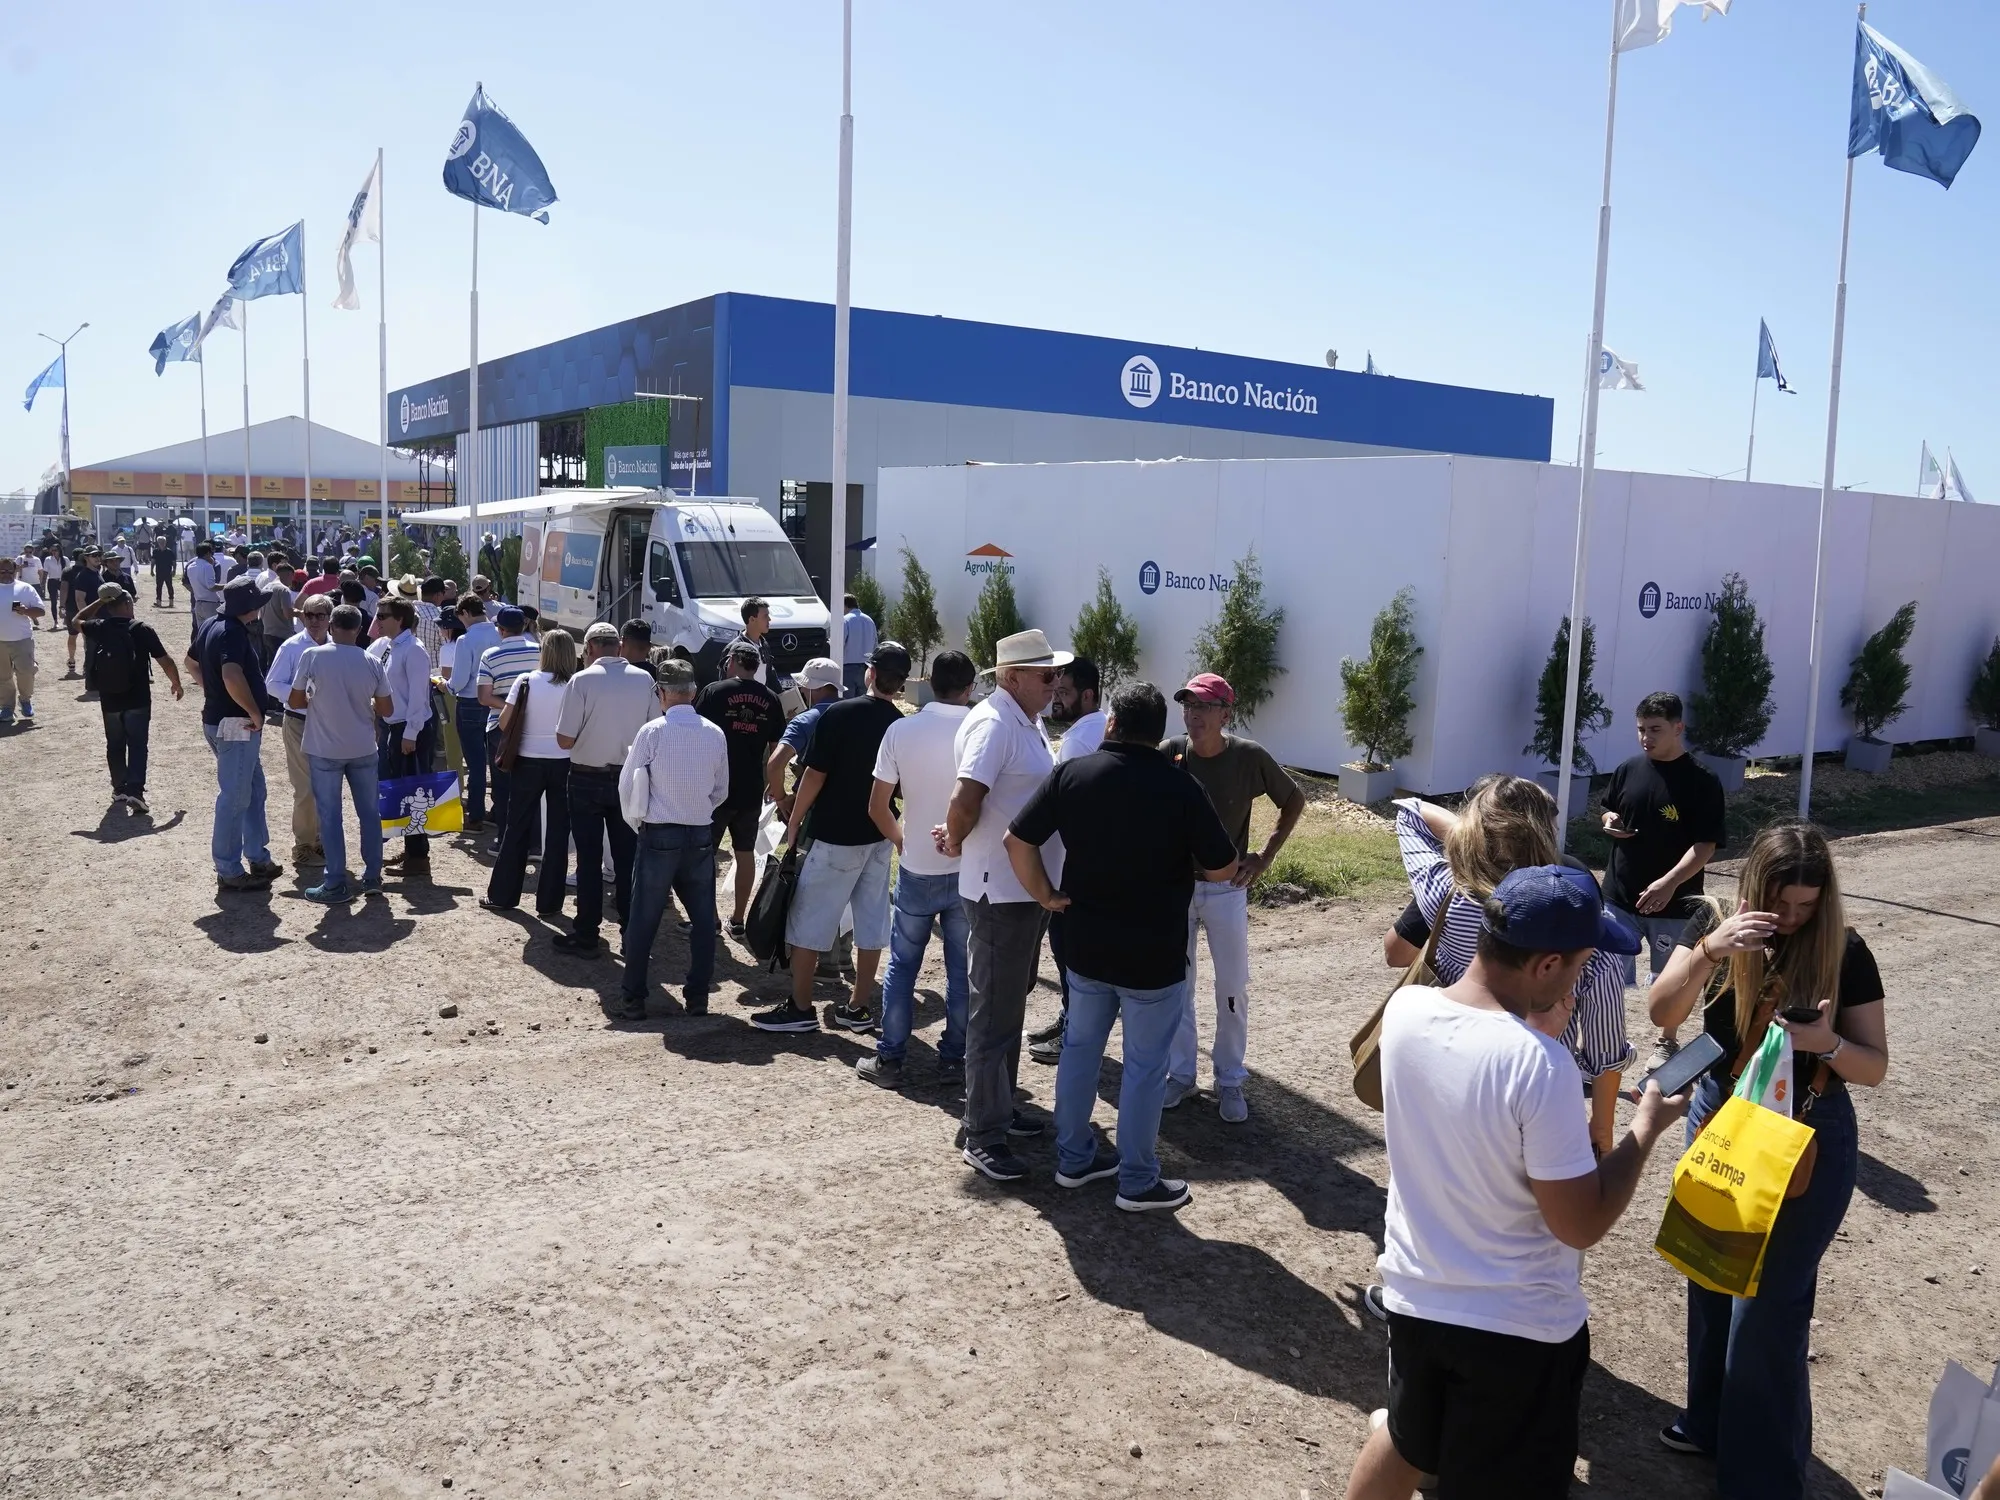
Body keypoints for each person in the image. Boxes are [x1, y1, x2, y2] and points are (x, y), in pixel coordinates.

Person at [1343, 865, 1682, 1500]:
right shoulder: (1541, 1065)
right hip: (1516, 1329)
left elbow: (1468, 1111)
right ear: (1547, 965)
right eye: (1583, 964)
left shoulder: (1408, 1011)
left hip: (1416, 1297)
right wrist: (1645, 1129)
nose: (1584, 977)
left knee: (1409, 1437)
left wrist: (1534, 1036)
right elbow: (1578, 1222)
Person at [1646, 821, 1888, 1500]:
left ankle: (1763, 1479)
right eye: (1779, 903)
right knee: (1712, 1273)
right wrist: (1708, 952)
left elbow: (1873, 1066)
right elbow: (1662, 1010)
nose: (1789, 919)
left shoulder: (1845, 950)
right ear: (1753, 886)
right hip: (1723, 1115)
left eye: (1806, 907)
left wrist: (1828, 1042)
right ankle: (1710, 1424)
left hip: (1805, 1135)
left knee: (1768, 1307)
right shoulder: (1714, 924)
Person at [1005, 681, 1239, 1207]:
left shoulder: (1074, 773)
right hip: (1153, 955)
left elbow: (1017, 841)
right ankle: (1137, 1180)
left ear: (1111, 724)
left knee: (1080, 1052)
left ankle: (1074, 1159)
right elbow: (1224, 866)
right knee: (1144, 1067)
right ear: (1160, 736)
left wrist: (1045, 894)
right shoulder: (1181, 788)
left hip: (1085, 944)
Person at [1393, 777, 1632, 1155]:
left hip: (1453, 1084)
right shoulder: (1585, 933)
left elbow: (1410, 812)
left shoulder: (1445, 892)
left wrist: (1480, 838)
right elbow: (1606, 1052)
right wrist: (1602, 1126)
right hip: (1539, 1096)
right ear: (1544, 830)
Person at [938, 628, 1067, 1181]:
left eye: (1055, 674)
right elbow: (967, 798)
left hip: (1019, 891)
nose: (1054, 683)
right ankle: (983, 1132)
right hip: (1002, 891)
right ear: (1011, 677)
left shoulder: (1020, 719)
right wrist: (959, 838)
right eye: (1045, 675)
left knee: (1007, 1009)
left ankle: (997, 1111)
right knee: (993, 1015)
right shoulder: (995, 723)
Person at [1161, 672, 1306, 1123]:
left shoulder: (1248, 757)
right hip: (1177, 889)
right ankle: (1181, 1075)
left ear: (1226, 713)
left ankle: (1229, 1079)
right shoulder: (1171, 753)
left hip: (1227, 888)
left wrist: (1262, 857)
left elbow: (1293, 800)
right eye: (1187, 706)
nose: (1192, 715)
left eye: (1203, 707)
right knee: (1176, 987)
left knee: (1232, 987)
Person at [752, 642, 912, 1035]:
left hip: (835, 834)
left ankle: (801, 1007)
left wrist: (795, 821)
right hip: (878, 833)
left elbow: (815, 775)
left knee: (809, 920)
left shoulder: (839, 714)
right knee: (871, 922)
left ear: (870, 673)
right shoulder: (900, 724)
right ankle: (857, 1007)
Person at [856, 650, 978, 1089]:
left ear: (928, 682)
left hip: (917, 867)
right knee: (962, 971)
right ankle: (954, 1059)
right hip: (966, 867)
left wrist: (902, 840)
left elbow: (877, 806)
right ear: (970, 687)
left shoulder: (901, 729)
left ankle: (890, 1058)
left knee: (903, 967)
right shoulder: (980, 728)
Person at [1602, 691, 1727, 1073]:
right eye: (1641, 729)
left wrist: (1669, 884)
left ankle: (1666, 1043)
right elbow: (1608, 806)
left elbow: (1705, 845)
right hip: (1619, 896)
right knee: (1603, 974)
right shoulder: (1628, 768)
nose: (1646, 737)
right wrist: (1608, 821)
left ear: (1678, 727)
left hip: (1676, 904)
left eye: (1655, 729)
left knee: (1670, 979)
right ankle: (1604, 1041)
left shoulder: (1702, 781)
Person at [618, 660, 731, 1019]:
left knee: (644, 918)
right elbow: (720, 790)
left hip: (659, 832)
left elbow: (627, 785)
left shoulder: (652, 732)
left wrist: (640, 822)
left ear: (662, 693)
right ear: (694, 692)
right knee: (702, 921)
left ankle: (634, 998)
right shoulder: (714, 733)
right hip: (699, 832)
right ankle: (698, 997)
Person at [553, 622, 661, 955]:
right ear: (618, 646)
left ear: (589, 648)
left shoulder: (582, 681)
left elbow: (564, 739)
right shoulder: (644, 680)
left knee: (588, 859)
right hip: (629, 778)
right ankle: (633, 934)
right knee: (629, 860)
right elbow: (655, 732)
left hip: (587, 777)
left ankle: (587, 933)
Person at [1027, 656, 1108, 1063]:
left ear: (1088, 695)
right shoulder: (1100, 726)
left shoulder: (1079, 740)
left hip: (1070, 867)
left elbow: (1067, 806)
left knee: (1068, 952)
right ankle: (1069, 1020)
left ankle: (1074, 1034)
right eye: (1054, 691)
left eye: (1064, 693)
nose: (1054, 700)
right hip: (1087, 863)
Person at [290, 604, 393, 904]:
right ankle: (373, 875)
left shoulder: (312, 656)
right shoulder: (373, 661)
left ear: (331, 626)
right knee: (369, 814)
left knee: (330, 816)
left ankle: (335, 882)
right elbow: (387, 709)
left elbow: (296, 700)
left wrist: (319, 700)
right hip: (363, 747)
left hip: (324, 749)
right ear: (359, 630)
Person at [185, 577, 282, 893]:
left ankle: (257, 856)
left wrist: (213, 691)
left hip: (222, 721)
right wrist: (254, 711)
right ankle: (228, 868)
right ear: (250, 608)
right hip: (236, 725)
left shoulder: (213, 624)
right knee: (237, 796)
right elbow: (231, 674)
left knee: (253, 789)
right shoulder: (232, 632)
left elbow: (191, 662)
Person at [482, 628, 579, 916]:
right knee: (558, 832)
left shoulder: (526, 681)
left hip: (527, 762)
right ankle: (550, 903)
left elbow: (503, 723)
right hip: (564, 763)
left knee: (517, 827)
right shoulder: (575, 685)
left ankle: (503, 895)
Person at [695, 642, 786, 935]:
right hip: (750, 787)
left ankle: (708, 916)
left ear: (732, 660)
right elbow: (777, 748)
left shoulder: (713, 691)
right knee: (744, 852)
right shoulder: (771, 698)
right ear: (756, 666)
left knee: (704, 852)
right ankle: (737, 918)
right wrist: (774, 783)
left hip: (715, 784)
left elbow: (696, 731)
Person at [73, 583, 180, 810]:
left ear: (108, 607)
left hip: (110, 699)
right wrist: (176, 683)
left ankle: (119, 789)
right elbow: (165, 660)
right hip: (138, 698)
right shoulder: (141, 629)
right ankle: (136, 791)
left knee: (115, 744)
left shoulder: (99, 627)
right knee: (138, 745)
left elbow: (75, 621)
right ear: (128, 603)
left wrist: (101, 600)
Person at [266, 594, 334, 867]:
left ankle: (319, 840)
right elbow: (272, 683)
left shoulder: (336, 647)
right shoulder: (292, 647)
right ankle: (304, 845)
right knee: (305, 787)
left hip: (328, 724)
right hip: (299, 722)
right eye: (309, 615)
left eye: (320, 616)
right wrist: (299, 697)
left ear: (329, 618)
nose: (314, 621)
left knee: (326, 786)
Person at [373, 599, 436, 881]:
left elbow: (419, 699)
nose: (378, 619)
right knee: (402, 790)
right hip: (395, 728)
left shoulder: (413, 650)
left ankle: (418, 857)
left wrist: (410, 734)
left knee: (413, 791)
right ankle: (413, 851)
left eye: (383, 615)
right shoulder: (392, 646)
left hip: (410, 730)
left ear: (399, 619)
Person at [477, 606, 541, 846]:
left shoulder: (491, 655)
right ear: (524, 626)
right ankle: (535, 843)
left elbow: (484, 697)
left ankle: (505, 840)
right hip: (534, 725)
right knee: (532, 786)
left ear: (500, 630)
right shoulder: (540, 651)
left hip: (499, 728)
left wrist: (509, 707)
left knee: (503, 787)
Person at [448, 596, 501, 828]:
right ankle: (498, 809)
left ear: (466, 613)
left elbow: (459, 680)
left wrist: (445, 685)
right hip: (497, 701)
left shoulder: (466, 639)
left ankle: (476, 815)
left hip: (470, 700)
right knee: (497, 760)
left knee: (476, 762)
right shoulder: (500, 633)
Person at [0, 555, 44, 726]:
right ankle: (7, 707)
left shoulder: (25, 589)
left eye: (9, 571)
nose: (6, 574)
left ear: (15, 571)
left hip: (22, 639)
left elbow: (40, 612)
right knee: (3, 677)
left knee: (26, 672)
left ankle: (25, 700)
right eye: (2, 571)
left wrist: (26, 611)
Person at [65, 548, 104, 678]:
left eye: (99, 555)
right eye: (94, 555)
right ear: (86, 558)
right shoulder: (83, 575)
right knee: (91, 648)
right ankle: (91, 679)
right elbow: (79, 599)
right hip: (92, 619)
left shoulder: (97, 572)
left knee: (97, 648)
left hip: (100, 617)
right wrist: (89, 619)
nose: (98, 558)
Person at [727, 596, 776, 685]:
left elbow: (770, 675)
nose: (769, 619)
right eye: (765, 616)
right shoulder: (734, 649)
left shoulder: (764, 645)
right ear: (752, 619)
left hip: (761, 698)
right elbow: (726, 682)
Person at [841, 593, 877, 697]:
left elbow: (840, 643)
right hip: (866, 668)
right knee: (862, 701)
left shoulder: (845, 620)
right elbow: (875, 645)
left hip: (848, 668)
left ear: (845, 605)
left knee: (847, 703)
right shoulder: (869, 620)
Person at [186, 542, 223, 631]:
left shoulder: (190, 566)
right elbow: (211, 586)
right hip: (210, 603)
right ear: (207, 553)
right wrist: (226, 586)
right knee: (213, 630)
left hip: (198, 602)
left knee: (202, 631)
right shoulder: (207, 566)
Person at [150, 531, 178, 607]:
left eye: (163, 541)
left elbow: (174, 562)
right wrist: (151, 570)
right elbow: (153, 561)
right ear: (158, 542)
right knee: (159, 587)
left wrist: (174, 570)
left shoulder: (169, 551)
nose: (161, 543)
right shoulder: (156, 551)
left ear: (165, 542)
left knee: (169, 586)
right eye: (160, 542)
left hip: (168, 571)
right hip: (159, 571)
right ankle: (158, 601)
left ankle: (171, 601)